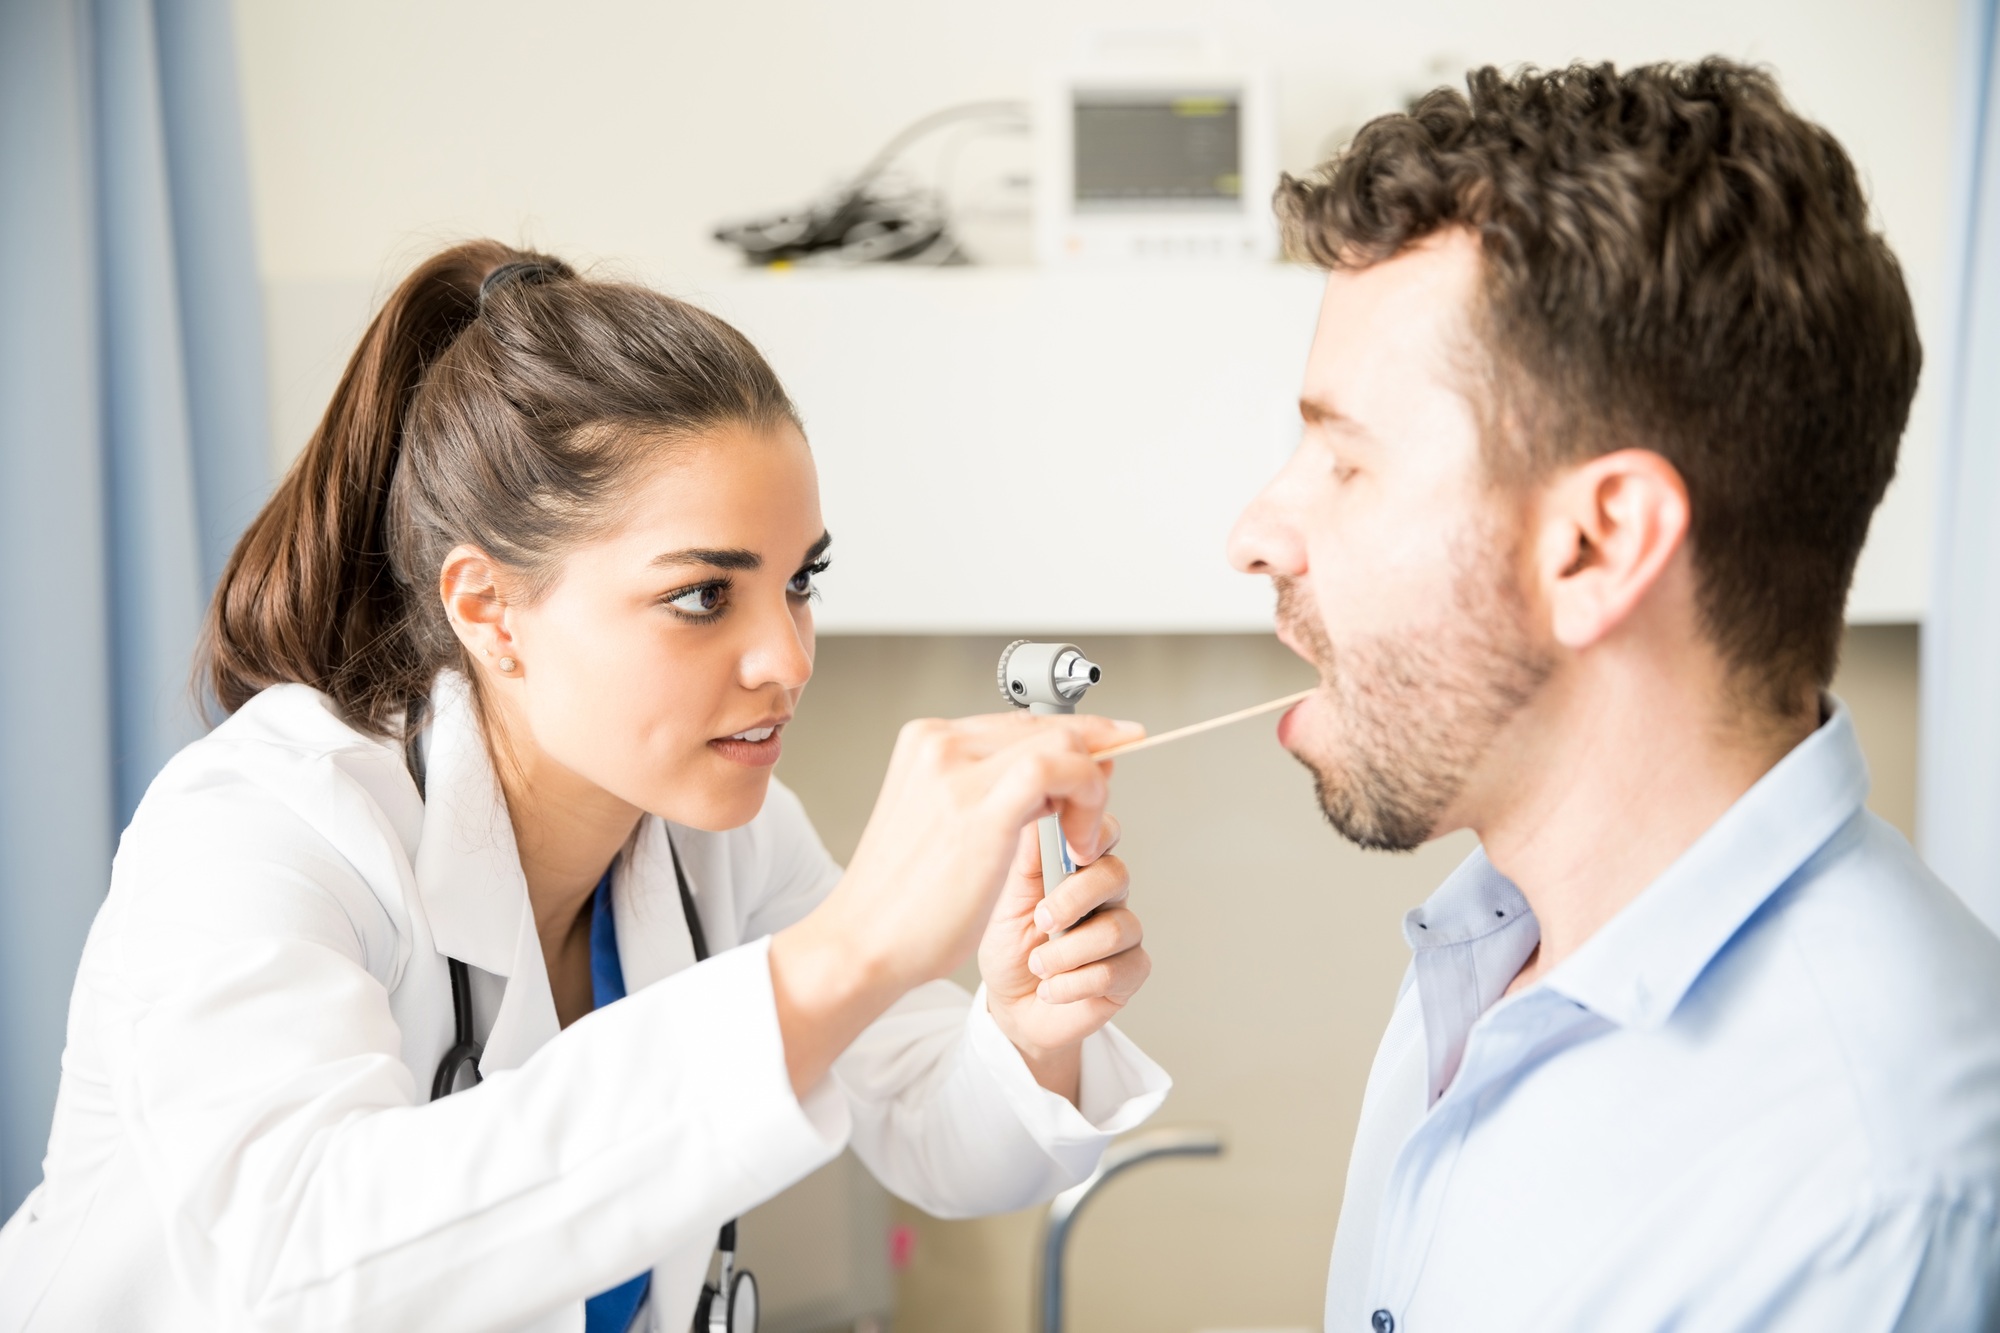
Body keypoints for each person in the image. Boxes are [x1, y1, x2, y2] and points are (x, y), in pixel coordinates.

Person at [0, 241, 1168, 1332]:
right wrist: (849, 950)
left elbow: (944, 1139)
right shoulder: (265, 827)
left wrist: (1026, 1023)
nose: (788, 659)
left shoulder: (728, 842)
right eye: (704, 595)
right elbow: (299, 1265)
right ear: (489, 609)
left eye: (799, 582)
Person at [1227, 60, 2000, 1330]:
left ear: (1595, 545)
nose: (1256, 533)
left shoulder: (1868, 1197)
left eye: (1344, 462)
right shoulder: (1491, 958)